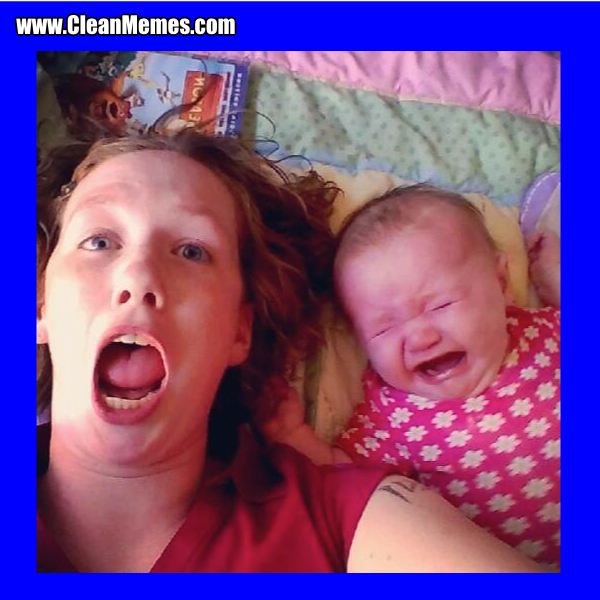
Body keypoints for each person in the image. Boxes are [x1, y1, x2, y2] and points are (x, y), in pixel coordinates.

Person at [37, 133, 544, 573]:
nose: (138, 275)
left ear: (240, 330)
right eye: (99, 241)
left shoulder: (341, 518)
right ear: (39, 304)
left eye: (192, 251)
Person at [264, 185, 560, 568]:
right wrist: (293, 435)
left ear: (501, 284)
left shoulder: (548, 331)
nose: (421, 337)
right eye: (385, 328)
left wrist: (555, 277)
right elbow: (344, 476)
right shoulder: (392, 417)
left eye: (441, 304)